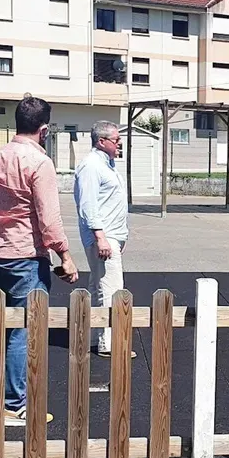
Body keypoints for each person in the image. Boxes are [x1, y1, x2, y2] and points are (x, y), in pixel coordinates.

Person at [0, 96, 78, 426]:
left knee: (7, 328)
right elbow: (48, 218)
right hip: (25, 255)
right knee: (22, 331)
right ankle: (13, 404)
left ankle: (5, 394)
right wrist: (65, 256)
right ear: (44, 129)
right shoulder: (39, 163)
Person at [74, 120, 134, 358]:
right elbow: (88, 205)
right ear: (102, 141)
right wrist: (101, 237)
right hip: (103, 236)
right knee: (111, 289)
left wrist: (119, 237)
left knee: (98, 287)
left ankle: (92, 337)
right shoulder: (91, 166)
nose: (119, 144)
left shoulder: (107, 165)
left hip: (112, 236)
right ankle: (109, 343)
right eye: (116, 140)